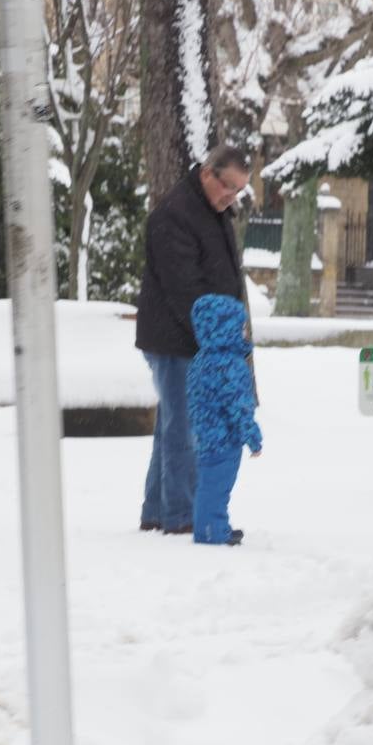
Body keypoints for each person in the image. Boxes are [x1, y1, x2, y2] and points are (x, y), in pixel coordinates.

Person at [134, 144, 251, 534]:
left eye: (238, 191)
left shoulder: (210, 210)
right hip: (177, 339)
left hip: (196, 338)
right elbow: (184, 289)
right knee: (185, 428)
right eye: (227, 187)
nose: (231, 197)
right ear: (207, 174)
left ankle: (156, 511)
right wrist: (215, 338)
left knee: (173, 424)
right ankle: (181, 516)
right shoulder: (176, 215)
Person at [186, 294, 261, 545]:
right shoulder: (230, 365)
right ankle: (210, 532)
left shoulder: (201, 359)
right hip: (224, 438)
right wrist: (253, 436)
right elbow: (239, 405)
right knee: (216, 488)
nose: (243, 332)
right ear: (225, 329)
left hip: (206, 434)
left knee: (211, 484)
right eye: (239, 327)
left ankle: (215, 526)